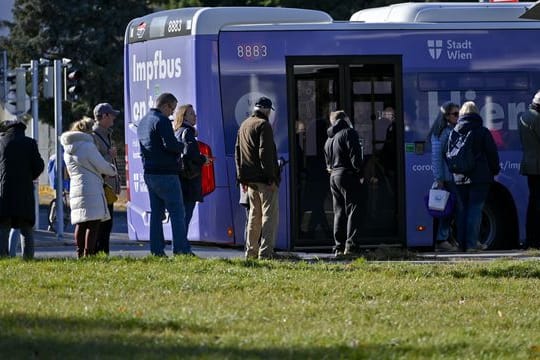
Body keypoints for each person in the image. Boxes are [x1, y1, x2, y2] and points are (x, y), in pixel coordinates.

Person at [137, 93, 193, 256]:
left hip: (150, 173)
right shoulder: (161, 121)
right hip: (166, 173)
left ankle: (156, 251)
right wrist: (182, 146)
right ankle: (181, 249)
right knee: (177, 212)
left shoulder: (143, 122)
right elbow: (170, 144)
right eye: (172, 109)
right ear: (166, 105)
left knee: (156, 214)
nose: (172, 113)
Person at [61, 117, 117, 258]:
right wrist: (112, 169)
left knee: (80, 223)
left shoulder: (68, 149)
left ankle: (79, 253)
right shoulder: (87, 146)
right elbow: (101, 164)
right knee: (93, 223)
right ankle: (89, 254)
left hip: (76, 187)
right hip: (91, 188)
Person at [235, 96, 280, 260]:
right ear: (267, 110)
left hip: (249, 180)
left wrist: (241, 178)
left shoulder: (244, 125)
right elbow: (265, 154)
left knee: (254, 215)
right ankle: (266, 252)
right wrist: (271, 178)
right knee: (269, 215)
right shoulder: (263, 125)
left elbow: (237, 153)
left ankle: (251, 251)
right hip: (263, 179)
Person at [451, 101, 500, 252]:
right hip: (480, 177)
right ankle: (472, 244)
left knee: (462, 210)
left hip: (459, 176)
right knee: (475, 209)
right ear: (477, 113)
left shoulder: (454, 131)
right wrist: (494, 170)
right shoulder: (482, 131)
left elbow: (449, 155)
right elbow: (492, 154)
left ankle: (462, 244)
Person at [0, 120, 45, 259]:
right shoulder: (30, 143)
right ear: (22, 129)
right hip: (24, 191)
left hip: (4, 190)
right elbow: (39, 165)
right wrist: (31, 175)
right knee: (26, 227)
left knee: (3, 226)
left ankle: (2, 257)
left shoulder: (1, 142)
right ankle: (28, 258)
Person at [324, 110, 364, 256]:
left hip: (333, 176)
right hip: (347, 174)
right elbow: (355, 157)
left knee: (339, 211)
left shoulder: (329, 139)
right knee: (354, 209)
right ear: (345, 119)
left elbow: (327, 164)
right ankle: (351, 245)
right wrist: (360, 174)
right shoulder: (349, 133)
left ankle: (339, 246)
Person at [428, 101, 460, 252]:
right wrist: (439, 178)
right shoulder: (441, 132)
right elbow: (436, 157)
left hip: (450, 176)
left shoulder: (449, 130)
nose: (457, 116)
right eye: (455, 114)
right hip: (446, 178)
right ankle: (442, 240)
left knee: (450, 209)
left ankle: (447, 237)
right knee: (447, 210)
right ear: (446, 116)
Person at [172, 104, 208, 237]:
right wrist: (203, 159)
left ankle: (180, 246)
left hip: (180, 179)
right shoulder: (188, 132)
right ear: (184, 116)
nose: (195, 116)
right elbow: (190, 153)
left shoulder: (177, 131)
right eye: (192, 114)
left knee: (182, 215)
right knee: (186, 215)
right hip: (189, 180)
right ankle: (182, 247)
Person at [92, 102, 122, 254]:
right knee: (102, 224)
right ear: (104, 116)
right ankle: (100, 253)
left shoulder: (105, 134)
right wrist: (109, 156)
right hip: (101, 187)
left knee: (107, 224)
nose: (114, 119)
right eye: (112, 116)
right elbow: (94, 162)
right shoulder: (94, 137)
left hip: (107, 187)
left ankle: (103, 253)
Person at [518, 91, 540, 249]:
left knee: (533, 203)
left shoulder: (524, 115)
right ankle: (535, 239)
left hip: (529, 164)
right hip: (538, 166)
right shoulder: (537, 118)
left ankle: (531, 238)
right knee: (537, 204)